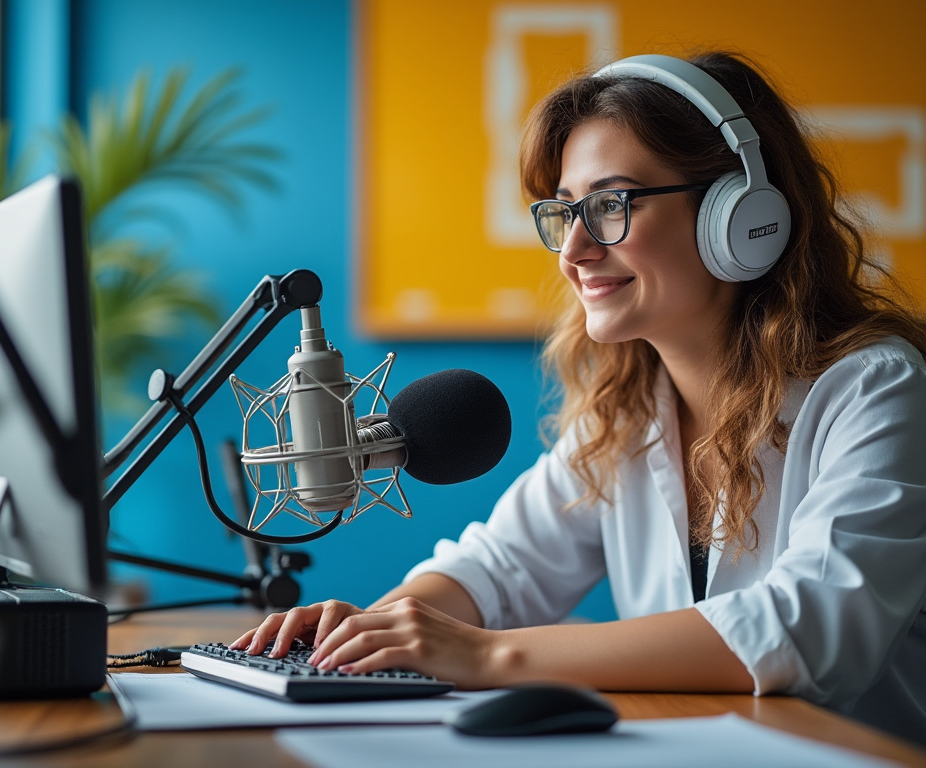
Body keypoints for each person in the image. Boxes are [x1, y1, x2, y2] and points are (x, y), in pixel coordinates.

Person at [232, 51, 926, 744]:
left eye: (611, 205)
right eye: (565, 213)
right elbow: (500, 568)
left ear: (741, 216)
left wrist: (487, 656)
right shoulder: (625, 412)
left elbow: (812, 628)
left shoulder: (875, 390)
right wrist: (368, 633)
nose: (573, 252)